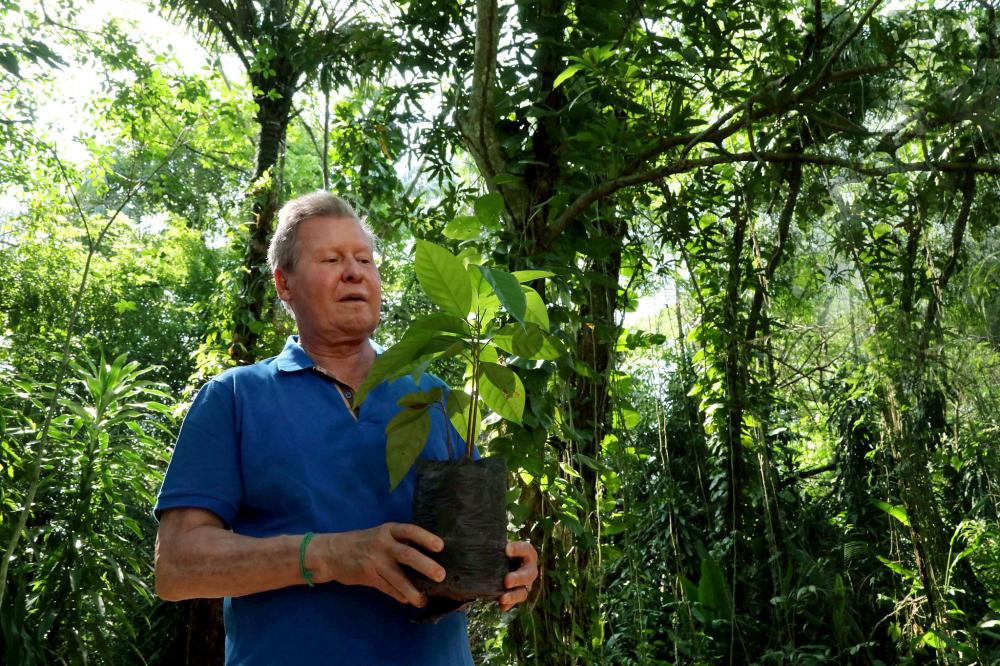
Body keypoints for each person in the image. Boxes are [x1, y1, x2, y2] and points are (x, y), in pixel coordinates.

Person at [154, 191, 539, 664]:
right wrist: (331, 556)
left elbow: (470, 538)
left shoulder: (436, 396)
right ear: (284, 283)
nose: (355, 271)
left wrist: (510, 566)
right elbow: (176, 566)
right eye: (332, 258)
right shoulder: (234, 398)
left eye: (364, 258)